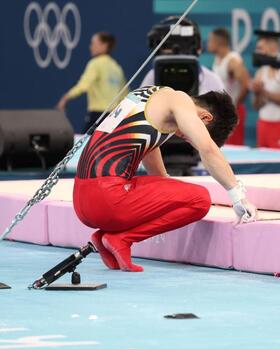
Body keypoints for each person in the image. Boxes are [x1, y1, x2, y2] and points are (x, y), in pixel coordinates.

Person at [73, 85, 258, 272]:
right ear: (204, 118)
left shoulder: (150, 95)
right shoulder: (179, 99)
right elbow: (208, 149)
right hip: (106, 199)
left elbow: (149, 150)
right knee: (200, 199)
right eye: (190, 138)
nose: (187, 138)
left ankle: (104, 236)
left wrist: (164, 198)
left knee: (171, 187)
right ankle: (121, 238)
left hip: (82, 200)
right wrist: (237, 195)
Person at [57, 32, 127, 133]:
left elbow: (83, 85)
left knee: (83, 146)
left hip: (97, 116)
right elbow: (124, 94)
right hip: (114, 117)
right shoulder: (116, 67)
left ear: (104, 46)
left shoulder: (95, 63)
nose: (91, 47)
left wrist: (66, 98)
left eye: (94, 44)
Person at [141, 17, 224, 94]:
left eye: (185, 44)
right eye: (168, 45)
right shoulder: (151, 77)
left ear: (198, 48)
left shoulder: (212, 81)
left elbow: (224, 109)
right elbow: (136, 108)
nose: (176, 49)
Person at [251, 36, 280, 148]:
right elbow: (257, 106)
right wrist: (257, 94)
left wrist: (263, 92)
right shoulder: (261, 72)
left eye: (260, 48)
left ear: (273, 47)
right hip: (262, 125)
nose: (258, 52)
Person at [208, 28, 250, 145]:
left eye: (211, 40)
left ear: (219, 42)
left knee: (233, 146)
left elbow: (246, 85)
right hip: (222, 111)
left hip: (232, 111)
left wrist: (234, 105)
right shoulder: (218, 58)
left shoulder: (233, 61)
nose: (208, 44)